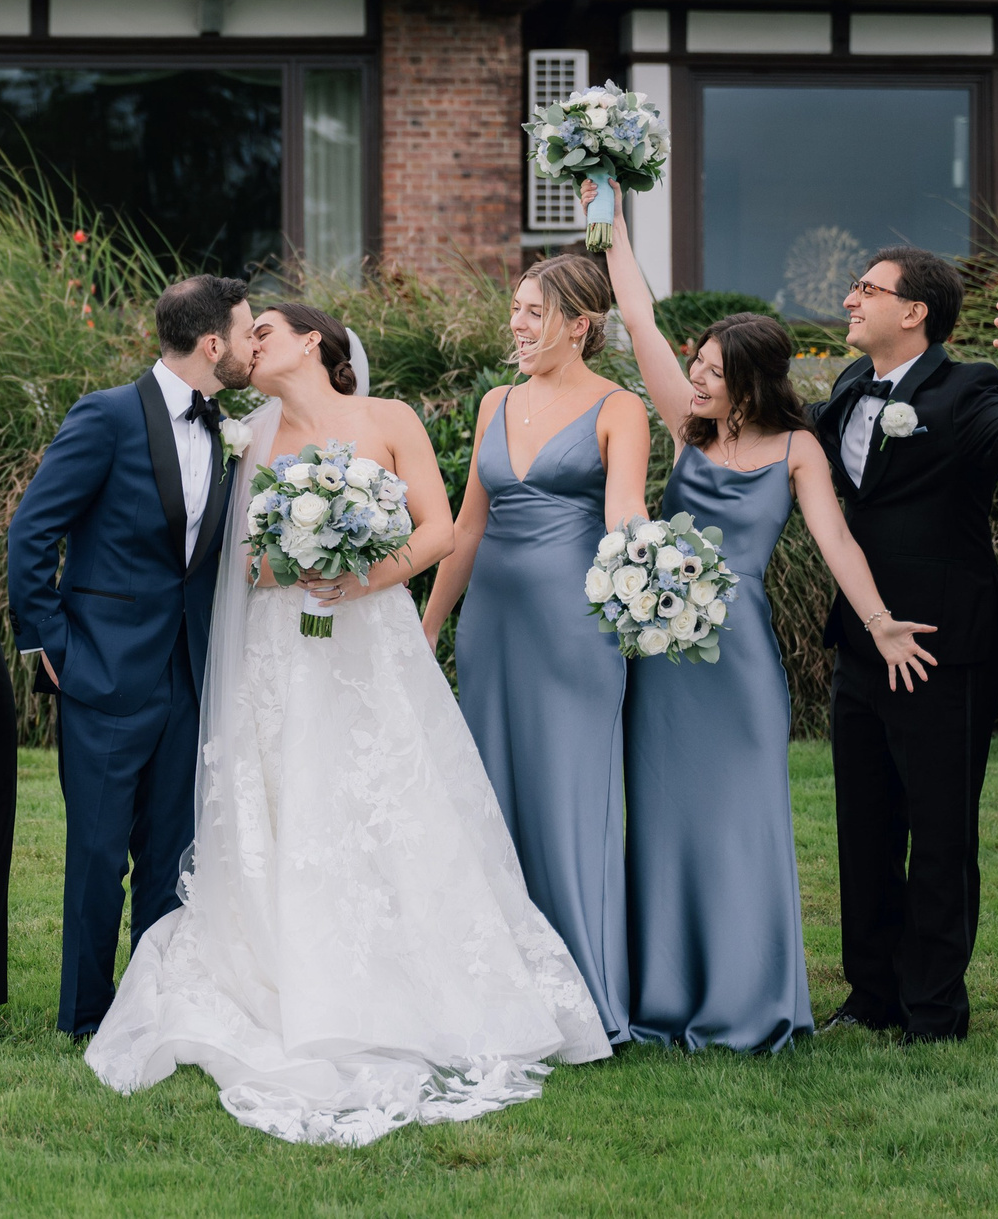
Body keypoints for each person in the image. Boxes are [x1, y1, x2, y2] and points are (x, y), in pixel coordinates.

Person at [88, 302, 610, 1147]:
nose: (250, 343)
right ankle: (293, 966)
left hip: (374, 639)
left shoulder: (389, 418)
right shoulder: (247, 436)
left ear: (314, 343)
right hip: (280, 648)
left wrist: (368, 575)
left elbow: (441, 527)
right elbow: (240, 561)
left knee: (395, 793)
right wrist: (290, 556)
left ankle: (429, 974)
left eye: (264, 331)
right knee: (291, 793)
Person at [590, 181, 935, 1053]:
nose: (694, 378)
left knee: (742, 824)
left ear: (745, 381)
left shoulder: (796, 449)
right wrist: (612, 222)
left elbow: (838, 546)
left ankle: (752, 1004)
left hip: (737, 666)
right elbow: (638, 319)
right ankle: (665, 999)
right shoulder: (685, 428)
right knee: (664, 824)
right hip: (663, 657)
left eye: (709, 371)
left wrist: (882, 620)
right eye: (694, 368)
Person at [812, 246, 998, 1042]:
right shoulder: (850, 385)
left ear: (913, 311)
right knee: (866, 824)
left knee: (941, 831)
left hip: (941, 645)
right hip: (862, 638)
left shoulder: (969, 387)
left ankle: (933, 1009)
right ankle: (871, 993)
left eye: (867, 289)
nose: (851, 299)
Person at [6, 274, 254, 1040]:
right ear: (212, 344)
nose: (252, 347)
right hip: (103, 671)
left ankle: (150, 1006)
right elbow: (31, 533)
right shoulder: (107, 415)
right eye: (247, 333)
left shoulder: (229, 429)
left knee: (169, 854)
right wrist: (53, 643)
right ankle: (82, 1014)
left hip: (186, 672)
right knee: (96, 854)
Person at [420, 255, 649, 1043]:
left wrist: (652, 573)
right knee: (489, 793)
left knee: (567, 798)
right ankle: (496, 988)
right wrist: (428, 627)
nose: (514, 324)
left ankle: (585, 992)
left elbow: (624, 511)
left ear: (579, 324)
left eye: (530, 312)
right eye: (514, 309)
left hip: (574, 631)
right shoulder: (495, 401)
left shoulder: (622, 408)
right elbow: (466, 527)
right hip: (492, 626)